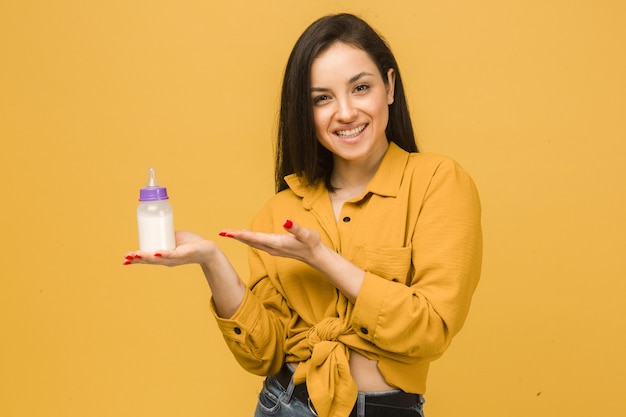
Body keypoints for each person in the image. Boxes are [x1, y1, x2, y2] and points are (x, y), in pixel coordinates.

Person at [124, 13, 482, 417]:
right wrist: (212, 262)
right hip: (284, 404)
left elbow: (430, 329)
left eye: (360, 88)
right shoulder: (279, 212)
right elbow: (265, 355)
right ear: (304, 112)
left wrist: (321, 258)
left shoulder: (438, 181)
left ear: (390, 87)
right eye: (322, 98)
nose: (345, 112)